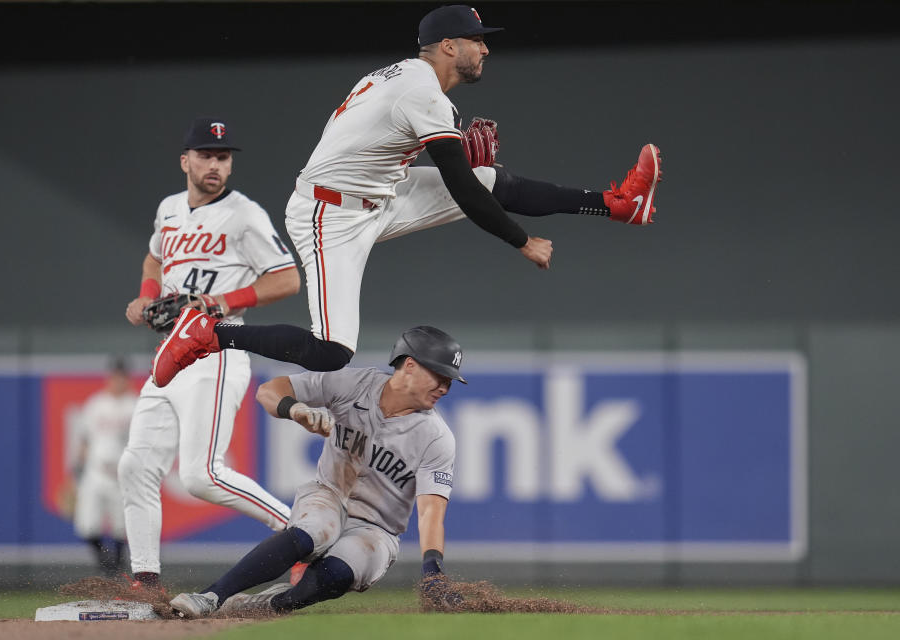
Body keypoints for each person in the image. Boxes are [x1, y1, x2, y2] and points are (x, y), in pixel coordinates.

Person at [150, 4, 661, 388]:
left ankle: (620, 204)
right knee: (331, 350)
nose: (485, 48)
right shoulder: (421, 91)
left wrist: (463, 161)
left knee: (491, 180)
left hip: (375, 195)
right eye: (475, 39)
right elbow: (458, 186)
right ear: (446, 46)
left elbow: (396, 155)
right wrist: (520, 241)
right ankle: (208, 335)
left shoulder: (405, 79)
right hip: (331, 215)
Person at [118, 117, 302, 590]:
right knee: (135, 465)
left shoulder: (244, 214)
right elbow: (154, 257)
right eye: (206, 155)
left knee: (201, 476)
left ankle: (301, 535)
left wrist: (223, 301)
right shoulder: (169, 209)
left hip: (218, 348)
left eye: (223, 157)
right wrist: (145, 294)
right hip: (170, 352)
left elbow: (286, 278)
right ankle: (145, 579)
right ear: (185, 161)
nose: (216, 164)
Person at [169, 326, 465, 618]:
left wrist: (432, 569)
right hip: (329, 494)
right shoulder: (354, 384)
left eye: (449, 382)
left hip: (378, 528)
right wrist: (294, 409)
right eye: (439, 376)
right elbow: (269, 391)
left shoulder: (436, 437)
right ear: (410, 365)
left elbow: (430, 513)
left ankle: (271, 604)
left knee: (336, 574)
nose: (444, 387)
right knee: (312, 532)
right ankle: (211, 595)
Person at [70, 358, 137, 577]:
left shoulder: (135, 404)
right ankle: (106, 563)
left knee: (122, 527)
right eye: (115, 376)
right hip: (95, 472)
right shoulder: (96, 403)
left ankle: (116, 571)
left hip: (123, 475)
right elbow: (84, 439)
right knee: (87, 526)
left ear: (127, 378)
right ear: (110, 377)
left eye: (122, 376)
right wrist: (76, 471)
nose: (118, 380)